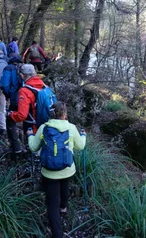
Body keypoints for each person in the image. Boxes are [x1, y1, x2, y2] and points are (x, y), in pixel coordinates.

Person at [26, 102, 86, 238]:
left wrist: (30, 134)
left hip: (49, 172)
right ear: (64, 114)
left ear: (50, 114)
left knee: (52, 203)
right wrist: (83, 135)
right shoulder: (71, 128)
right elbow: (81, 146)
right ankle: (63, 208)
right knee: (65, 186)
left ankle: (57, 234)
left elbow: (33, 147)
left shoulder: (43, 128)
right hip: (67, 169)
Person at [7, 64, 45, 135]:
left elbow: (22, 115)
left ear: (22, 75)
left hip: (32, 126)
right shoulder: (43, 85)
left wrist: (10, 114)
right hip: (45, 125)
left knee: (31, 145)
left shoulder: (24, 91)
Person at [0, 54, 23, 154]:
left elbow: (4, 84)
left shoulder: (8, 68)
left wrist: (7, 95)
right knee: (27, 122)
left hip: (14, 98)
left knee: (10, 121)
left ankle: (16, 147)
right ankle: (30, 147)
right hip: (26, 99)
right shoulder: (24, 68)